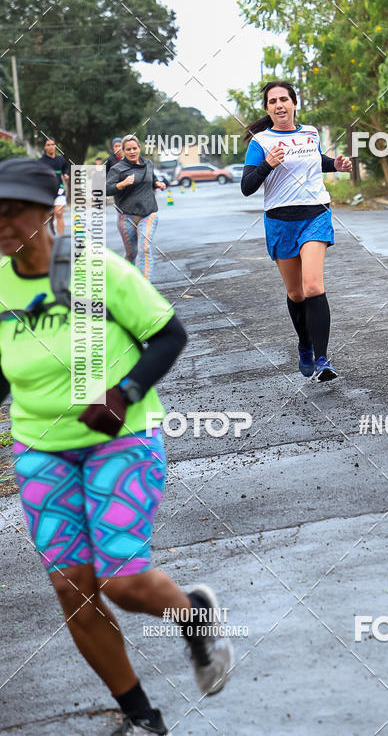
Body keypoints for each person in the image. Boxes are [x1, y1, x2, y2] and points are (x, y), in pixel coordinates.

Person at [0, 158, 232, 735]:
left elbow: (169, 335)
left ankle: (195, 616)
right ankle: (141, 715)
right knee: (70, 587)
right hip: (40, 448)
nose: (1, 223)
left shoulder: (97, 270)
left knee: (122, 583)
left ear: (49, 212)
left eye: (14, 210)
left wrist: (124, 393)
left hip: (121, 438)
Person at [241, 81, 352, 381]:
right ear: (267, 109)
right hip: (280, 221)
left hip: (315, 214)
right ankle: (305, 343)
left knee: (313, 286)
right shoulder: (261, 142)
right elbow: (247, 187)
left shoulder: (310, 133)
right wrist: (267, 164)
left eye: (284, 99)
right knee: (296, 293)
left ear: (294, 103)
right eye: (272, 101)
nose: (279, 104)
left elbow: (315, 162)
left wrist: (336, 165)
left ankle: (322, 359)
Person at [106, 136, 166, 282]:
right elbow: (105, 189)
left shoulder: (148, 164)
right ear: (123, 151)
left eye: (134, 148)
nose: (132, 151)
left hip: (148, 213)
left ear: (139, 148)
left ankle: (145, 287)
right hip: (126, 217)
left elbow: (152, 178)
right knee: (131, 254)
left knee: (145, 248)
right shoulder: (117, 169)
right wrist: (122, 184)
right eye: (128, 149)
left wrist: (157, 183)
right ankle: (126, 284)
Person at [39, 137, 69, 235]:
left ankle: (61, 238)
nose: (51, 147)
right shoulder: (41, 161)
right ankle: (51, 223)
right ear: (45, 147)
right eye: (48, 145)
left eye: (52, 144)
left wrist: (66, 174)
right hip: (47, 190)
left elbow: (65, 168)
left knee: (59, 213)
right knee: (49, 214)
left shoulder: (60, 159)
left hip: (59, 189)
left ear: (55, 146)